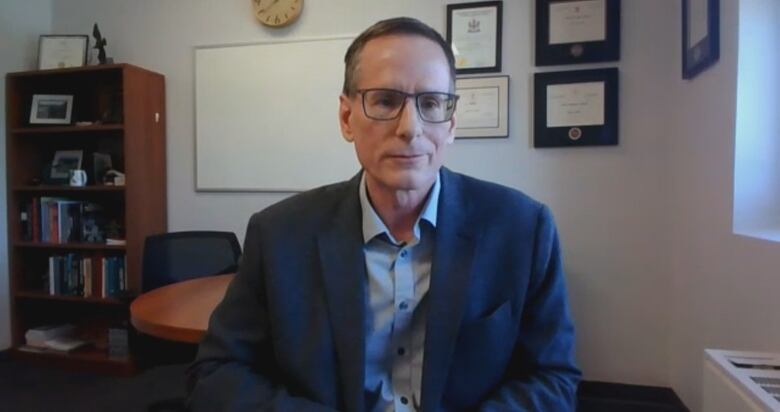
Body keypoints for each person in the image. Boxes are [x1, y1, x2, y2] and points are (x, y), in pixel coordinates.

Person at [187, 17, 580, 412]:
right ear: (346, 118)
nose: (410, 128)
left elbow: (551, 377)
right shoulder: (278, 234)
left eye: (430, 104)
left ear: (452, 125)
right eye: (386, 101)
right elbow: (219, 372)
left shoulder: (523, 230)